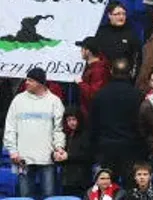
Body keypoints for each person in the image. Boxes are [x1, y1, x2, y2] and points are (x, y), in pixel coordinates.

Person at [3, 67, 66, 199]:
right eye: (27, 79)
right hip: (23, 158)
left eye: (30, 80)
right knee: (25, 196)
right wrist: (12, 151)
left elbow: (58, 129)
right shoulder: (18, 100)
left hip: (47, 159)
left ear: (40, 83)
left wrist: (59, 147)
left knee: (49, 196)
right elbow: (10, 128)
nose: (26, 82)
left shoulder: (54, 101)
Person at [90, 59, 145, 187]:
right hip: (131, 147)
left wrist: (94, 147)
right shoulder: (137, 95)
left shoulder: (101, 95)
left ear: (111, 71)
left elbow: (93, 124)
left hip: (106, 148)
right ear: (130, 72)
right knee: (131, 187)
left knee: (107, 188)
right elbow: (142, 124)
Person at [95, 2, 142, 73]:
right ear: (109, 15)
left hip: (124, 75)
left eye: (124, 14)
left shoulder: (131, 34)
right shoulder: (101, 32)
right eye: (118, 14)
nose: (121, 17)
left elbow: (137, 56)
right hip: (103, 74)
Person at [76, 36, 111, 118]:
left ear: (88, 51)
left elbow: (94, 94)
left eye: (82, 49)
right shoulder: (93, 67)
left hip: (93, 114)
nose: (81, 51)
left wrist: (81, 83)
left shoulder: (98, 70)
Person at [62, 107, 91, 198]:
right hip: (67, 179)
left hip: (82, 180)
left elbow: (88, 156)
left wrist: (68, 157)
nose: (71, 122)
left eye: (74, 119)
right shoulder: (67, 135)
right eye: (68, 120)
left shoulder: (86, 134)